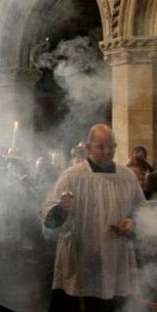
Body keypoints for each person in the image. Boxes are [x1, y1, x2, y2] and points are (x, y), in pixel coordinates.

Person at [42, 124, 147, 312]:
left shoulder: (127, 177)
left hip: (117, 262)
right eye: (101, 147)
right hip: (82, 263)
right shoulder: (71, 177)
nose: (108, 152)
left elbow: (142, 211)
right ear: (89, 148)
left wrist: (132, 222)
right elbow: (48, 218)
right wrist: (61, 210)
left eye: (111, 147)